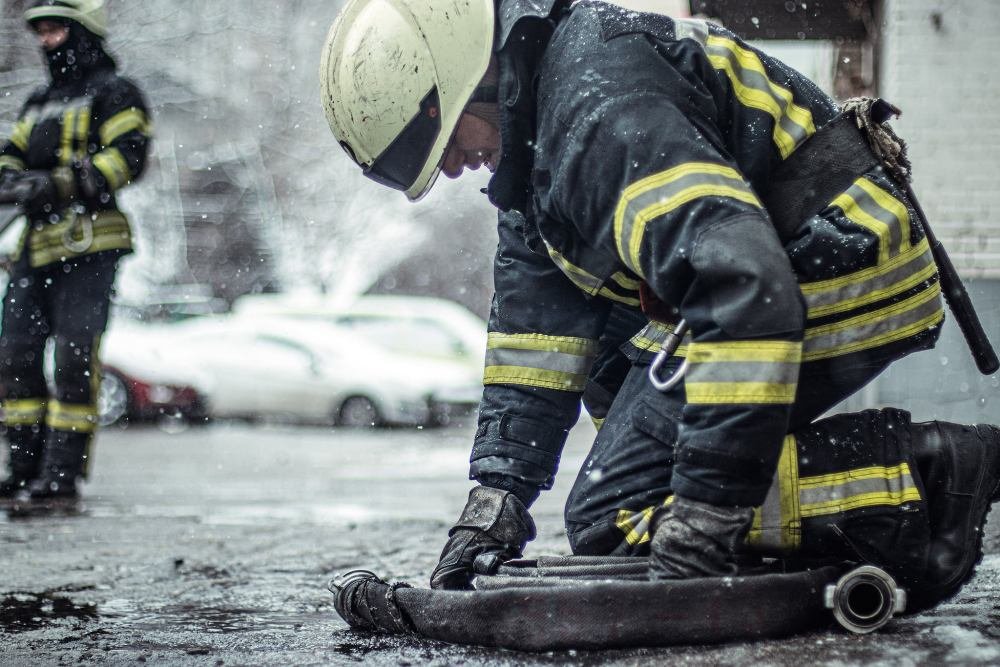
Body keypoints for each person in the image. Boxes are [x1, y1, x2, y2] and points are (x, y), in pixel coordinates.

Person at [319, 0, 1000, 611]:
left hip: (840, 258)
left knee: (616, 513)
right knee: (620, 446)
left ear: (472, 76)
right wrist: (496, 496)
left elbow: (744, 290)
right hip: (776, 268)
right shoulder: (534, 156)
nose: (448, 168)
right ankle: (772, 513)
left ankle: (930, 474)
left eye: (443, 143)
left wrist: (706, 505)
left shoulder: (599, 110)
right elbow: (536, 338)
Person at [0, 0, 151, 501]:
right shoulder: (37, 103)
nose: (46, 40)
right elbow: (10, 160)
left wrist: (63, 182)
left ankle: (61, 474)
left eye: (55, 29)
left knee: (73, 358)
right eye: (39, 31)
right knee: (15, 355)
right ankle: (22, 467)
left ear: (83, 31)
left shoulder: (116, 92)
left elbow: (128, 158)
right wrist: (15, 182)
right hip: (34, 249)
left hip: (92, 247)